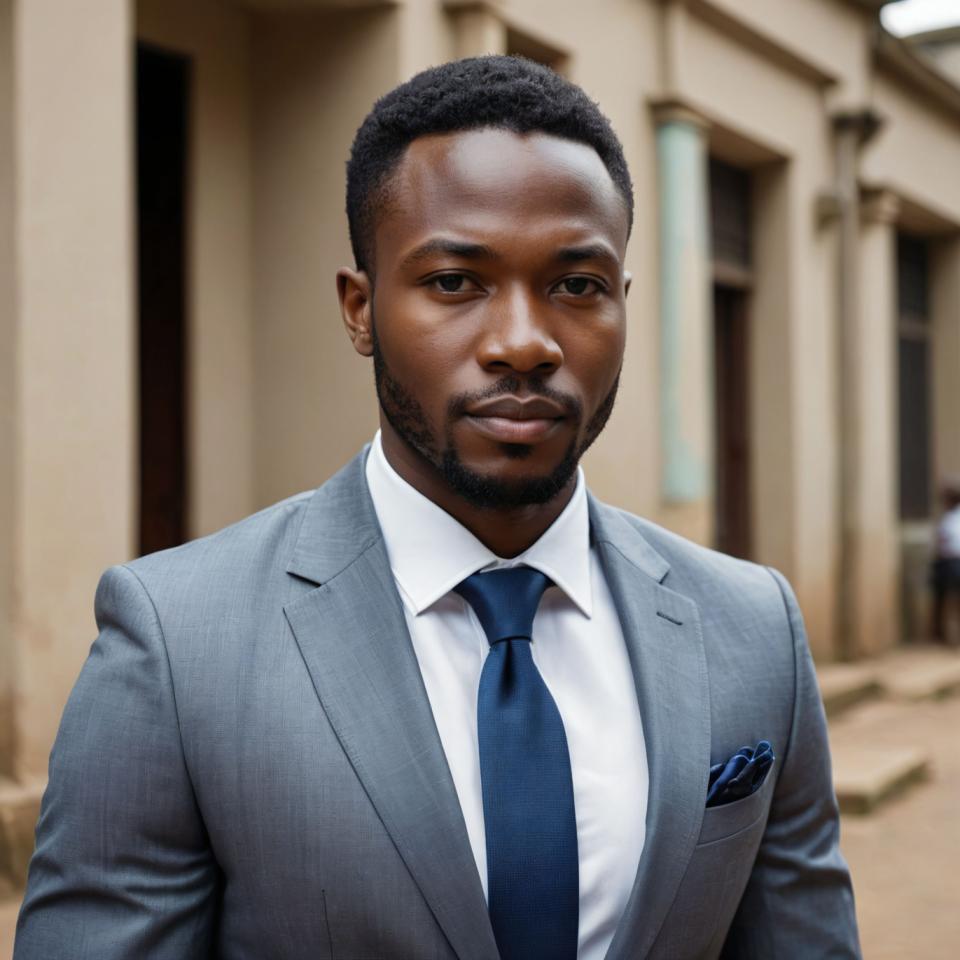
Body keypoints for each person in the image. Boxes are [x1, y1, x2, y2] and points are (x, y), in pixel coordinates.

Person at [14, 56, 860, 959]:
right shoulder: (177, 645)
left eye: (577, 285)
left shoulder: (751, 627)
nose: (525, 344)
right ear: (360, 309)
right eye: (456, 281)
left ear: (623, 304)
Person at [931, 477, 960, 644]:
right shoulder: (948, 518)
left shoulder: (951, 519)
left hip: (952, 562)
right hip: (949, 562)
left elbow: (944, 542)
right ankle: (944, 635)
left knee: (949, 598)